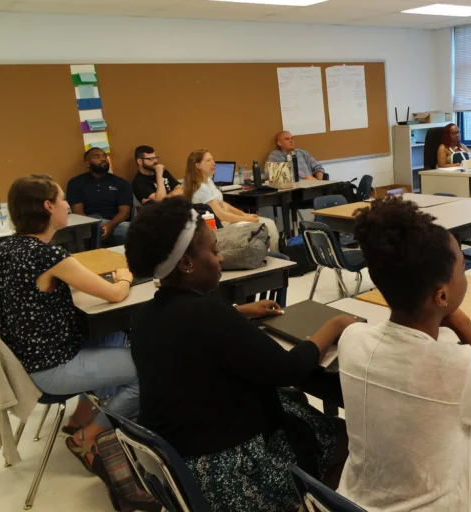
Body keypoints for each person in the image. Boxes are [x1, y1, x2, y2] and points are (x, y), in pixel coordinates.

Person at [124, 197, 354, 512]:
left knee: (297, 407)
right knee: (347, 436)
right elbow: (288, 369)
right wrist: (334, 325)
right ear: (187, 264)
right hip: (227, 477)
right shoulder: (209, 315)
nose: (220, 258)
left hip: (179, 464)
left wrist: (239, 311)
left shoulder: (144, 316)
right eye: (214, 251)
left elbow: (189, 332)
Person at [336, 197, 471, 512]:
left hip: (355, 503)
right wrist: (469, 330)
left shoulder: (352, 339)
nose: (466, 276)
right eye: (462, 269)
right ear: (442, 296)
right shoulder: (461, 366)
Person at [0, 174, 139, 472]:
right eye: (62, 199)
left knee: (111, 334)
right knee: (150, 369)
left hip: (23, 362)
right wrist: (124, 279)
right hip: (49, 370)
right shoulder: (48, 255)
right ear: (48, 207)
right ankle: (89, 436)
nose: (68, 205)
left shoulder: (7, 249)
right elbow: (114, 294)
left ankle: (80, 416)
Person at [183, 148, 280, 251]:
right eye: (208, 161)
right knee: (267, 225)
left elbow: (222, 203)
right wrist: (247, 219)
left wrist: (244, 214)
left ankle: (272, 255)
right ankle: (274, 257)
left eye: (212, 159)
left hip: (226, 220)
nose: (213, 163)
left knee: (267, 224)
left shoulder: (209, 181)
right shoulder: (200, 188)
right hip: (219, 226)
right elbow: (220, 215)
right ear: (198, 166)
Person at [67, 147, 133, 247]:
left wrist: (109, 226)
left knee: (129, 230)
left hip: (115, 223)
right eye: (97, 157)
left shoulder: (121, 183)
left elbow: (125, 213)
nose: (103, 159)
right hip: (88, 223)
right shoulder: (76, 183)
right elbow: (78, 212)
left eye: (104, 156)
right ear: (88, 164)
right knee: (79, 234)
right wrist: (95, 227)